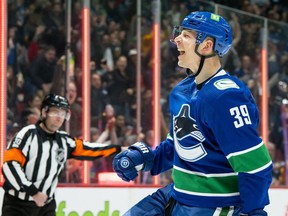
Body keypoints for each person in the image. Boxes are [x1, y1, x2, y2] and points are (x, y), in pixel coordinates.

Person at [112, 11, 273, 215]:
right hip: (176, 195)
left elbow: (255, 166)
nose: (176, 39)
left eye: (186, 35)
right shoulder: (182, 91)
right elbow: (177, 146)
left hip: (214, 205)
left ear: (207, 46)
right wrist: (147, 160)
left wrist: (253, 212)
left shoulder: (227, 97)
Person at [1, 93, 121, 216]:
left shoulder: (63, 140)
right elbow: (10, 166)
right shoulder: (27, 134)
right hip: (17, 206)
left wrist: (119, 149)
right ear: (44, 112)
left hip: (45, 207)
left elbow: (90, 148)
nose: (59, 117)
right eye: (55, 112)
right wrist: (33, 192)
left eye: (63, 113)